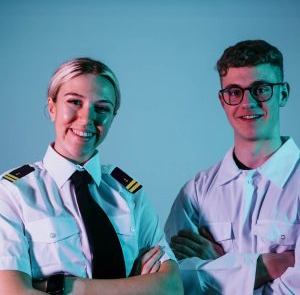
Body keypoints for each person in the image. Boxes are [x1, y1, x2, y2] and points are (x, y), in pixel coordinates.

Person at [0, 57, 183, 295]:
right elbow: (13, 292)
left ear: (112, 117)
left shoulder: (129, 194)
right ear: (52, 106)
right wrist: (135, 287)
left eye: (102, 108)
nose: (87, 119)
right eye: (75, 102)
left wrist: (64, 287)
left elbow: (171, 287)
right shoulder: (12, 193)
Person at [165, 40, 300, 294]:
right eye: (235, 92)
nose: (247, 102)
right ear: (222, 100)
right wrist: (262, 267)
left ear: (283, 94)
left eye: (261, 89)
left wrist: (218, 266)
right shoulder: (196, 193)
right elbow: (173, 282)